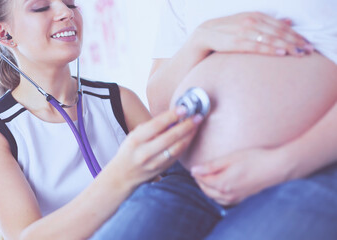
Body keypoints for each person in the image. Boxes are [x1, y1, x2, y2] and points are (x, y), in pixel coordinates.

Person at [90, 0, 337, 239]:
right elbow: (160, 104)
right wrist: (200, 39)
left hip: (312, 166)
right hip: (191, 179)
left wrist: (283, 164)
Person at [0, 0, 205, 239]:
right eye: (41, 7)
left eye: (70, 3)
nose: (66, 12)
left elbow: (177, 189)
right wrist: (123, 175)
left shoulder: (119, 100)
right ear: (4, 33)